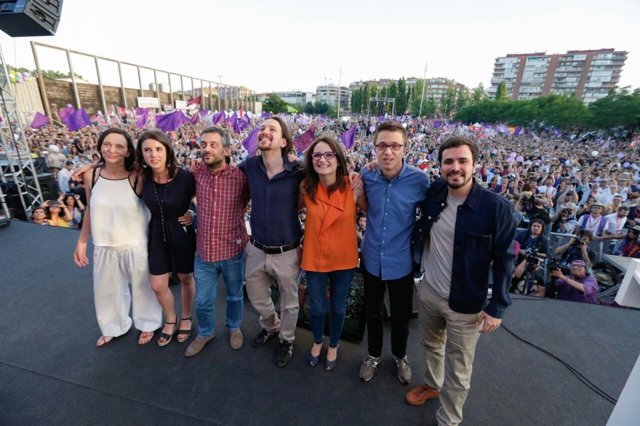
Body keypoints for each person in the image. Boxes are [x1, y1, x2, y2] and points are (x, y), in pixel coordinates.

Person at [406, 136, 517, 426]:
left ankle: (449, 420)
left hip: (466, 303)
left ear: (475, 165)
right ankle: (432, 385)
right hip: (429, 290)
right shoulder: (435, 193)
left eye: (462, 161)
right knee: (431, 345)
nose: (455, 167)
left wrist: (498, 306)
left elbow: (506, 259)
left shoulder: (496, 208)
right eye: (449, 161)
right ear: (440, 166)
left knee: (459, 368)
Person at [73, 128, 162, 347]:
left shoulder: (138, 176)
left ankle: (148, 323)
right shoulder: (90, 175)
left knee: (143, 288)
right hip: (104, 244)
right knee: (107, 291)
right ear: (100, 146)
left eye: (119, 146)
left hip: (136, 243)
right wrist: (82, 241)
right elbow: (90, 211)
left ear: (128, 151)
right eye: (107, 144)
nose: (112, 150)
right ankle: (113, 326)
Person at [359, 121, 430, 384]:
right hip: (370, 259)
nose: (388, 151)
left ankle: (400, 356)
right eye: (382, 145)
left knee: (400, 317)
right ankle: (373, 355)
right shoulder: (367, 175)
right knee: (373, 312)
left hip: (400, 262)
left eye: (394, 145)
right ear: (374, 148)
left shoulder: (419, 180)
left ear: (405, 148)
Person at [239, 116, 305, 367]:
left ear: (284, 140)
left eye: (272, 129)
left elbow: (328, 172)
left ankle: (287, 339)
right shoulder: (249, 165)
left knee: (290, 303)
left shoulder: (298, 169)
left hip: (287, 250)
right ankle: (271, 326)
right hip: (256, 249)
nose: (265, 132)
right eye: (262, 128)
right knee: (256, 297)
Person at [300, 136, 366, 371]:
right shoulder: (305, 187)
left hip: (344, 258)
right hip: (314, 256)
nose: (322, 159)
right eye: (317, 155)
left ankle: (334, 344)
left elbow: (371, 209)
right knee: (316, 307)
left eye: (329, 154)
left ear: (338, 159)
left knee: (338, 307)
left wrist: (372, 168)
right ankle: (318, 341)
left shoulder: (354, 185)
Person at [184, 127, 249, 357]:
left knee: (234, 296)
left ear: (226, 149)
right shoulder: (196, 173)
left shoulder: (241, 178)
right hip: (204, 253)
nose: (207, 149)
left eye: (213, 144)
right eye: (203, 144)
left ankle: (234, 327)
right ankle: (205, 332)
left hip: (232, 251)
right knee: (202, 301)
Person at [136, 129, 197, 348]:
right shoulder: (142, 178)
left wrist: (193, 214)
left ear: (167, 151)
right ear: (141, 154)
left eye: (158, 149)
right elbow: (111, 168)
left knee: (185, 278)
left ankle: (187, 316)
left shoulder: (185, 177)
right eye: (148, 150)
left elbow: (202, 200)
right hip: (155, 234)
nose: (153, 155)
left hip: (180, 231)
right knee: (157, 285)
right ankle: (171, 318)